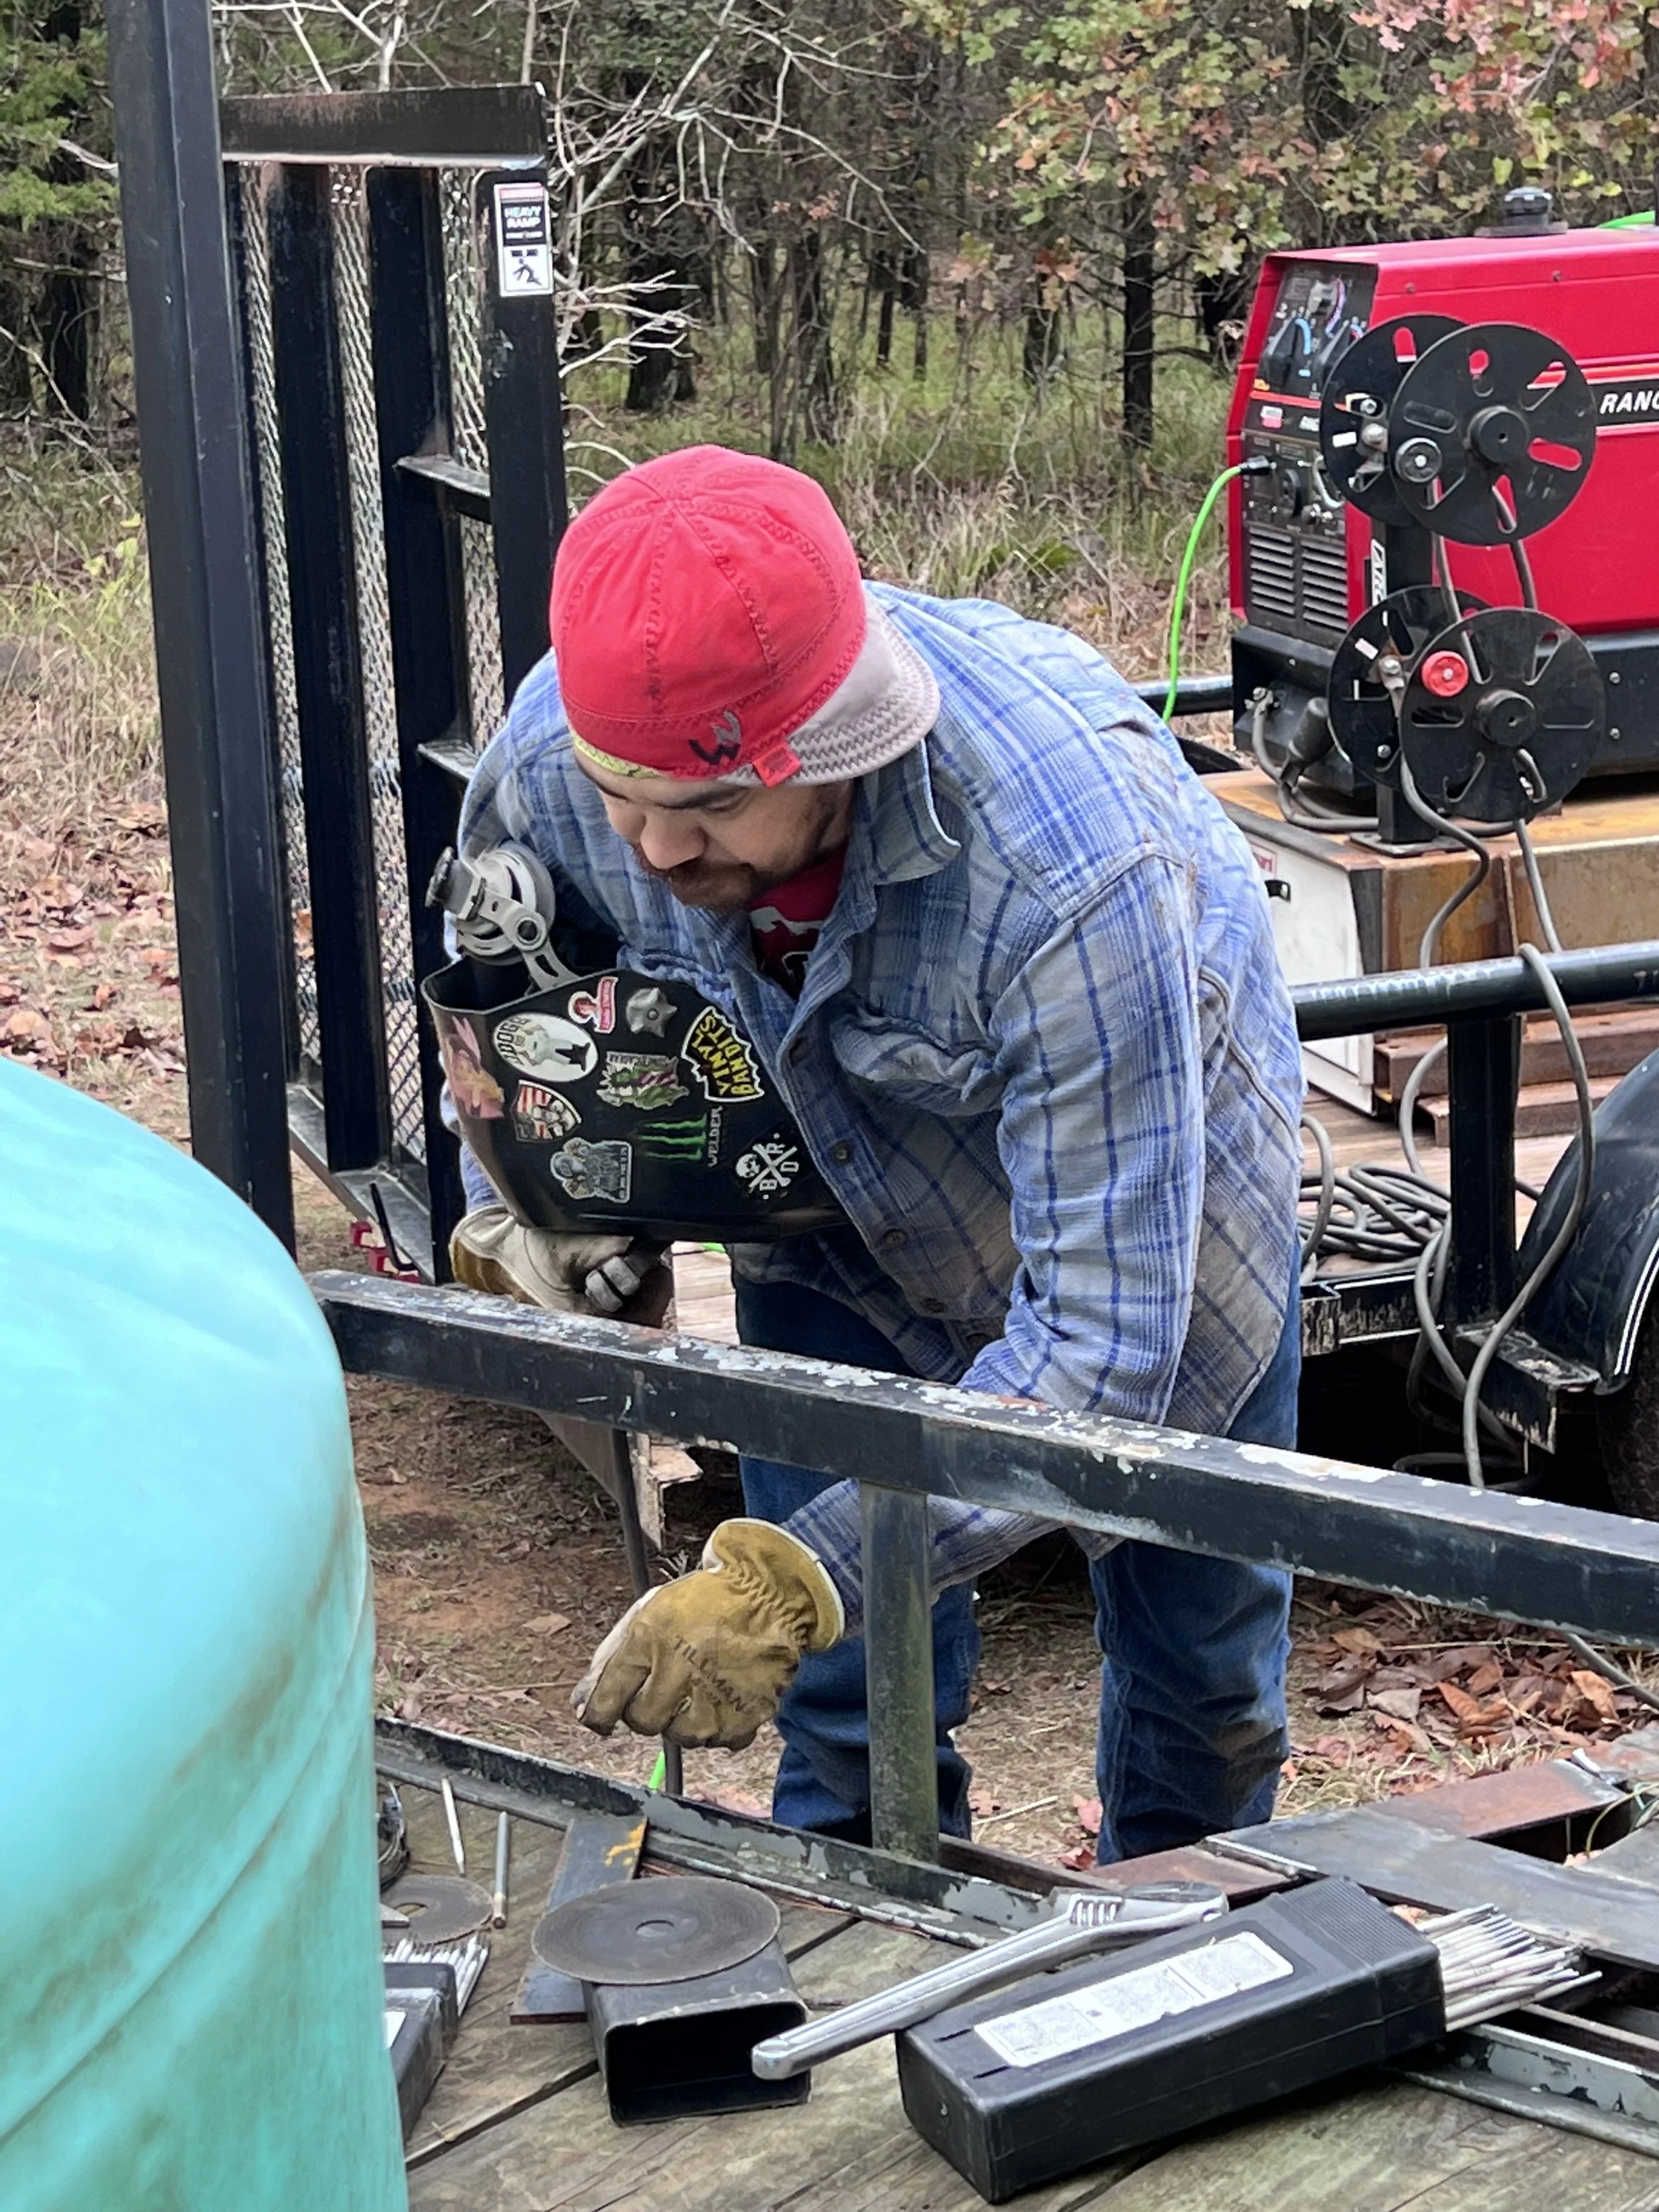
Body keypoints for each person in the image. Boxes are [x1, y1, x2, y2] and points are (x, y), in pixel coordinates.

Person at [449, 443, 1305, 1861]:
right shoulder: (563, 753)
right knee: (841, 1688)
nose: (654, 846)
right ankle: (865, 1948)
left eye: (712, 807)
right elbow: (514, 988)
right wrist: (551, 1186)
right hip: (833, 1230)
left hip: (1155, 1245)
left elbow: (1100, 1355)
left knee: (1200, 1680)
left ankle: (1163, 1975)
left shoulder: (1065, 871)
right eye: (624, 791)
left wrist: (796, 1574)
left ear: (840, 739)